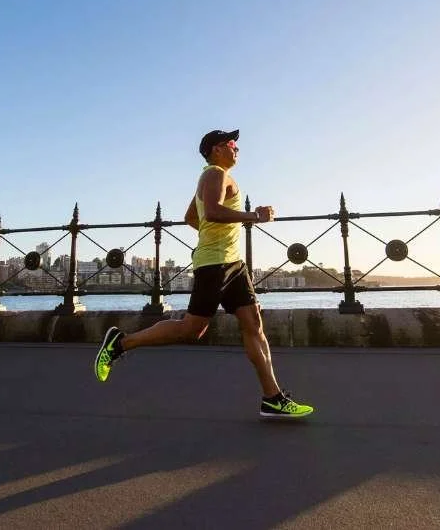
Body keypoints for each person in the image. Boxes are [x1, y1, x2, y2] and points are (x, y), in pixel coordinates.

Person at [93, 129, 313, 418]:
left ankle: (273, 397)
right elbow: (211, 212)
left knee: (253, 323)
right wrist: (253, 217)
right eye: (232, 144)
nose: (237, 149)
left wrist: (215, 237)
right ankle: (120, 343)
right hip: (216, 265)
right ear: (215, 149)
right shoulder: (214, 174)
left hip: (233, 263)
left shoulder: (216, 176)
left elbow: (191, 217)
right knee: (191, 329)